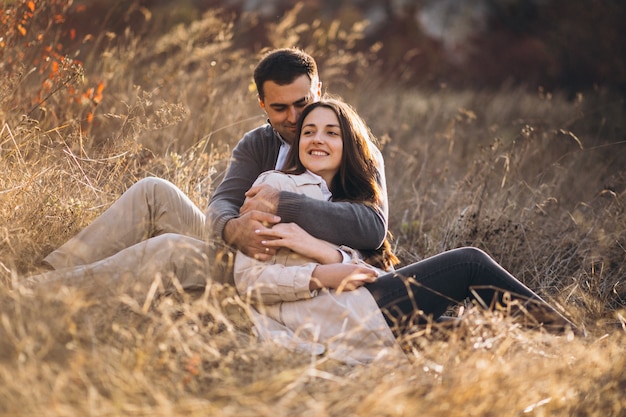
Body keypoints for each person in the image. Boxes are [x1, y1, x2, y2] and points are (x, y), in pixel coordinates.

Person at [234, 97, 579, 365]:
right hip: (339, 318)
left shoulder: (349, 204)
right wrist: (319, 275)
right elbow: (249, 281)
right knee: (468, 264)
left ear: (349, 145)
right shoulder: (275, 185)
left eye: (331, 132)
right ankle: (578, 345)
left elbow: (363, 273)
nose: (317, 139)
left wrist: (328, 254)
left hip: (365, 317)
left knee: (477, 333)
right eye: (308, 131)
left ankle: (569, 363)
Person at [24, 48, 388, 298]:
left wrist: (283, 204)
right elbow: (222, 203)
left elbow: (373, 227)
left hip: (286, 268)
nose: (293, 118)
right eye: (279, 108)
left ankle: (42, 294)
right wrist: (232, 229)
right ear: (262, 104)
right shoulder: (256, 144)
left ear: (318, 91)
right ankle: (45, 273)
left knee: (171, 248)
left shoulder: (352, 146)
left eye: (302, 103)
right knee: (153, 190)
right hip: (242, 249)